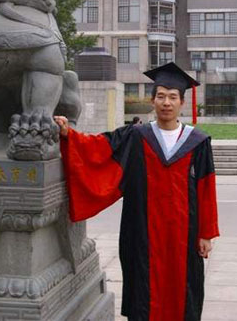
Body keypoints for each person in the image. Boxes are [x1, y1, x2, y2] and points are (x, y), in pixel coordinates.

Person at [55, 62, 219, 321]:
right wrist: (69, 134)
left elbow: (206, 188)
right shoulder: (136, 136)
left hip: (183, 234)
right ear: (152, 101)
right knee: (143, 287)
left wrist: (206, 234)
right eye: (161, 96)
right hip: (141, 230)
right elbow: (99, 149)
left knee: (184, 286)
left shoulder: (197, 142)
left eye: (173, 97)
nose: (166, 102)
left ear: (182, 103)